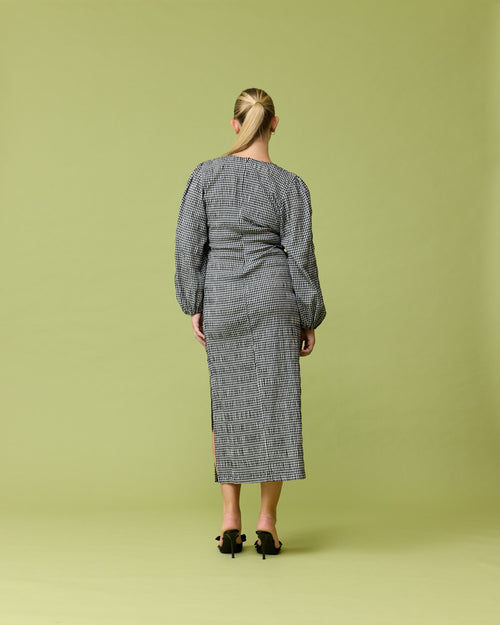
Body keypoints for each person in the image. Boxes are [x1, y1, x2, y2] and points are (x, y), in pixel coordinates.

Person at [174, 87, 326, 558]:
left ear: (236, 124)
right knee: (275, 405)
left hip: (222, 297)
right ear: (274, 124)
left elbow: (187, 245)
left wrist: (194, 302)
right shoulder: (290, 185)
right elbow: (300, 255)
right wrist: (308, 315)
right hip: (274, 298)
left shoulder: (204, 175)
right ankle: (267, 522)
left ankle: (229, 520)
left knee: (228, 405)